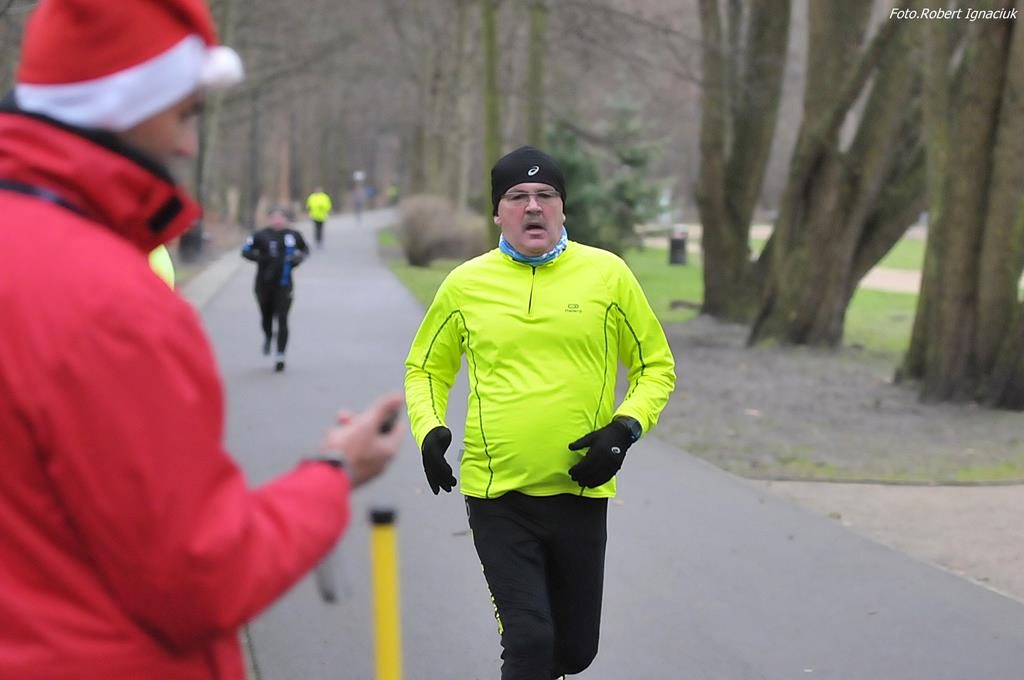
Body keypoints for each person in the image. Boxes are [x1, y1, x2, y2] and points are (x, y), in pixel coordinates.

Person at [0, 2, 404, 678]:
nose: (190, 144)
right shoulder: (111, 303)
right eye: (186, 114)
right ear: (122, 105)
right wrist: (334, 475)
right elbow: (201, 576)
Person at [404, 146, 676, 679]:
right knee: (529, 639)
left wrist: (623, 430)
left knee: (573, 652)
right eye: (517, 196)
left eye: (546, 195)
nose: (533, 206)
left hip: (580, 491)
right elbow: (425, 370)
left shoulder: (608, 276)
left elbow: (655, 367)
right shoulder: (465, 284)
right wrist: (429, 429)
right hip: (497, 495)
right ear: (497, 212)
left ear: (562, 207)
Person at [241, 206, 310, 371]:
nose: (277, 220)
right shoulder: (260, 235)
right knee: (266, 316)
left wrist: (298, 259)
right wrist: (259, 257)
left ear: (286, 219)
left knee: (283, 318)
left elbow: (305, 250)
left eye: (281, 217)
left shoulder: (293, 235)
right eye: (274, 217)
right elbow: (245, 251)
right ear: (269, 219)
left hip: (284, 285)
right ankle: (268, 334)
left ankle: (280, 355)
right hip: (263, 284)